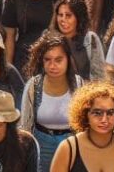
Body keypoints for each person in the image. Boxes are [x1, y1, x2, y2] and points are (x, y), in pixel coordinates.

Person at [19, 33, 85, 172]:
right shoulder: (34, 85)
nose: (53, 65)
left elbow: (84, 123)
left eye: (58, 60)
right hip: (41, 145)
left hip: (71, 143)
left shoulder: (79, 84)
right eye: (47, 60)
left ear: (68, 59)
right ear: (41, 61)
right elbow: (25, 126)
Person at [50, 82, 114, 172]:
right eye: (97, 113)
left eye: (111, 113)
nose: (104, 120)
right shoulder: (67, 149)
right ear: (85, 114)